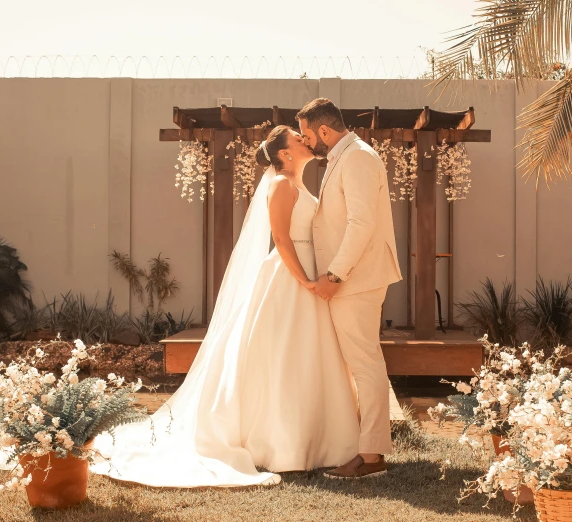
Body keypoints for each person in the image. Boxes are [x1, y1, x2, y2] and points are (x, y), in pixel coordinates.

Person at [90, 125, 360, 487]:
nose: (306, 140)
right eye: (299, 139)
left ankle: (319, 440)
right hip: (290, 277)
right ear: (284, 154)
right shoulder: (281, 184)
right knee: (283, 355)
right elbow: (281, 239)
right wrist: (307, 281)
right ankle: (282, 444)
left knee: (309, 355)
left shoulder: (299, 184)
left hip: (309, 273)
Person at [297, 98, 402, 479]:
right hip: (352, 278)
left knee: (365, 363)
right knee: (360, 362)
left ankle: (371, 457)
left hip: (355, 279)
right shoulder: (346, 156)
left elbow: (361, 223)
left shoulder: (357, 157)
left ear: (325, 130)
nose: (307, 142)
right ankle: (360, 443)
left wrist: (335, 275)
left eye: (308, 134)